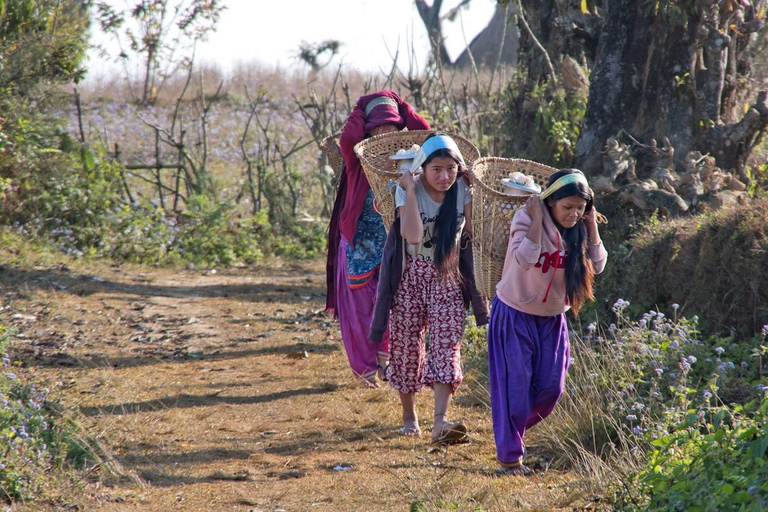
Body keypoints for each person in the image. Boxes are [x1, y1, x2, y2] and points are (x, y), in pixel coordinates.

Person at [369, 133, 488, 442]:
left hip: (447, 276)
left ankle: (440, 423)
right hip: (410, 276)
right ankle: (409, 416)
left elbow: (474, 233)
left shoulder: (462, 189)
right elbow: (412, 236)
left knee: (447, 344)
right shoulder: (407, 189)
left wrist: (478, 189)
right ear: (423, 167)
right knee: (407, 346)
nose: (444, 176)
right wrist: (408, 192)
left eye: (451, 168)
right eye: (437, 169)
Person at [487, 168, 608, 475]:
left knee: (551, 389)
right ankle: (510, 458)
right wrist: (537, 217)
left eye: (580, 208)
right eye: (567, 207)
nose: (573, 214)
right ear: (550, 202)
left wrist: (591, 224)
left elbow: (599, 264)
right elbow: (524, 259)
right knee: (515, 389)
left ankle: (508, 428)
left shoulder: (579, 228)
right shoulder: (526, 219)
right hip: (514, 314)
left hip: (552, 320)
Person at [325, 90, 430, 387]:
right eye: (378, 127)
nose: (385, 133)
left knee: (393, 302)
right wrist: (362, 107)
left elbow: (425, 131)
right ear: (368, 130)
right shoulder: (357, 158)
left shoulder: (408, 158)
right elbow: (348, 139)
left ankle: (386, 358)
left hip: (394, 244)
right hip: (359, 242)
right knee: (359, 308)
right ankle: (364, 370)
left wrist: (398, 103)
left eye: (391, 127)